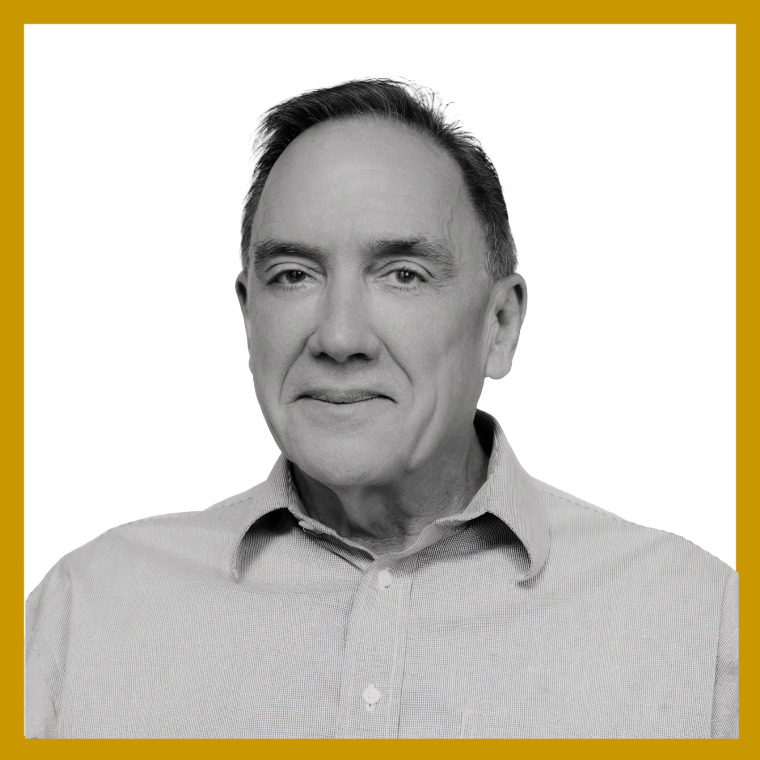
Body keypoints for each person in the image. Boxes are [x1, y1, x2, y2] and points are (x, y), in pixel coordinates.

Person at [25, 78, 738, 739]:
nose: (339, 338)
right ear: (248, 316)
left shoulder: (699, 624)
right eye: (293, 275)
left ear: (499, 326)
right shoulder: (82, 614)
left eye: (403, 274)